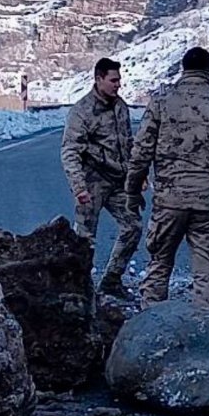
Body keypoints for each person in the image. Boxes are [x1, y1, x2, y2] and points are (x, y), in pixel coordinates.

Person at [126, 47, 209, 309]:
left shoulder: (161, 103)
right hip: (208, 203)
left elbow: (140, 151)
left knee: (160, 264)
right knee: (205, 271)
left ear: (183, 69)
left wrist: (132, 190)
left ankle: (152, 328)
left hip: (169, 201)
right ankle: (204, 331)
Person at [60, 58, 141, 298]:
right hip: (91, 182)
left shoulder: (121, 107)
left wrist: (136, 175)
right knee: (85, 239)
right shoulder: (82, 111)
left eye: (119, 80)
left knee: (133, 226)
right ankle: (78, 289)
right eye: (113, 80)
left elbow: (128, 143)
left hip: (118, 182)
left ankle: (111, 280)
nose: (118, 85)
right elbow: (70, 150)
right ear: (99, 79)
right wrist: (78, 187)